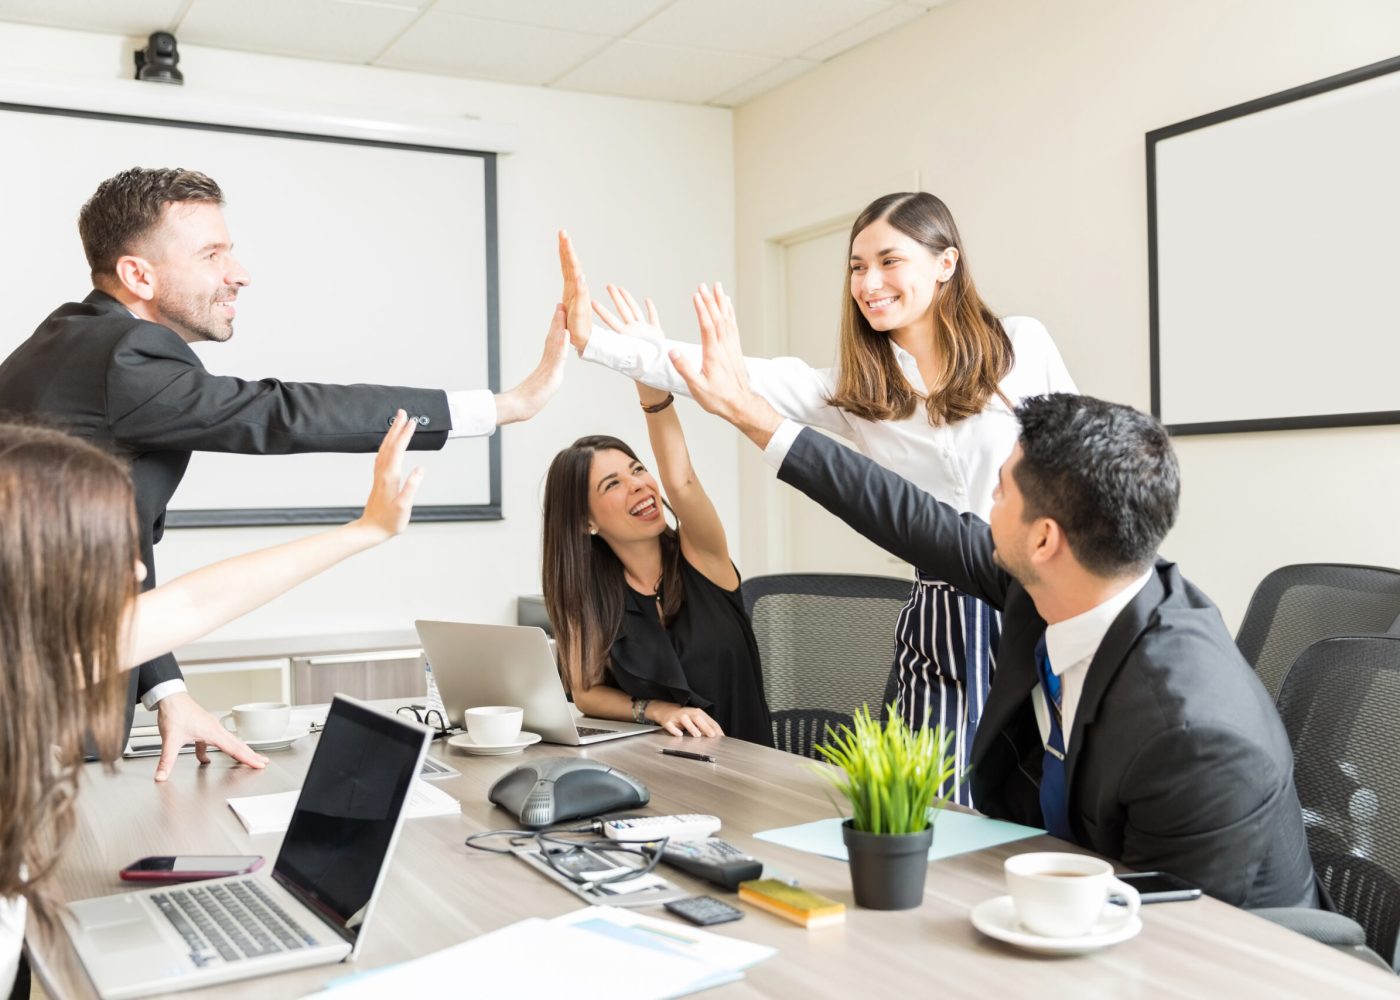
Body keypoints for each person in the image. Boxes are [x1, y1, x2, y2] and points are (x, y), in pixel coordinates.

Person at [662, 287, 1318, 908]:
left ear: (1045, 538)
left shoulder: (1194, 735)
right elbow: (902, 512)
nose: (984, 506)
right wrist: (748, 411)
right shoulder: (1063, 581)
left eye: (1000, 491)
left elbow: (1176, 942)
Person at [0, 167, 569, 780]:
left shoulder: (62, 346)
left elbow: (115, 555)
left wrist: (166, 692)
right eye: (212, 253)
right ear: (139, 274)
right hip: (35, 710)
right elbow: (280, 412)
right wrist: (503, 407)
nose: (238, 272)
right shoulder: (124, 356)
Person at [559, 192, 1076, 805]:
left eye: (889, 261)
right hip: (943, 619)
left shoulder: (1021, 345)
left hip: (1041, 602)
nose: (869, 282)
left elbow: (1079, 467)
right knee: (932, 807)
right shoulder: (859, 390)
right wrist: (602, 344)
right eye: (857, 267)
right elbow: (735, 378)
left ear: (946, 263)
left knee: (1052, 795)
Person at [0, 412, 429, 996]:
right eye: (105, 548)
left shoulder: (31, 651)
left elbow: (197, 603)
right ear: (36, 572)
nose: (136, 570)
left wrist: (366, 529)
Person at [541, 290, 772, 746]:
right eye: (612, 485)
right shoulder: (593, 592)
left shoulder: (702, 555)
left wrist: (649, 372)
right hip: (663, 776)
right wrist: (656, 709)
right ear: (587, 523)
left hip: (748, 774)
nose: (640, 486)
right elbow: (587, 693)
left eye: (637, 469)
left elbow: (681, 482)